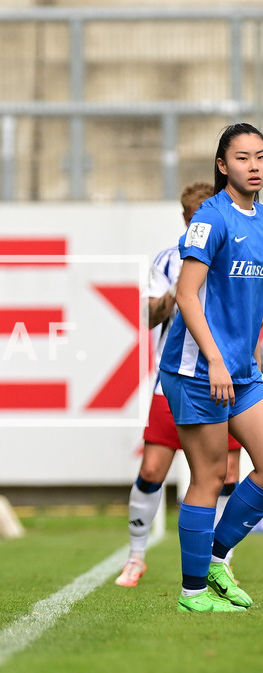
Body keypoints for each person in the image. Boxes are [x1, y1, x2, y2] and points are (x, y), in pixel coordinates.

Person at [116, 182, 243, 588]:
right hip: (176, 381)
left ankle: (220, 561)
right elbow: (149, 316)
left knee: (225, 476)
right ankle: (136, 556)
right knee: (153, 469)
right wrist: (175, 294)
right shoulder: (170, 261)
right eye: (193, 221)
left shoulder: (240, 254)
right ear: (186, 220)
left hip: (230, 378)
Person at [158, 122, 263, 613]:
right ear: (223, 166)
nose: (254, 166)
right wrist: (217, 360)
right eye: (242, 157)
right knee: (208, 477)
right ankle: (193, 594)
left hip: (241, 371)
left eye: (260, 156)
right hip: (198, 370)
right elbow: (185, 294)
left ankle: (216, 557)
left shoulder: (261, 218)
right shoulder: (210, 217)